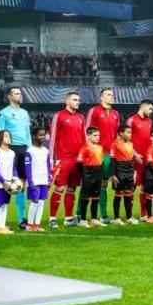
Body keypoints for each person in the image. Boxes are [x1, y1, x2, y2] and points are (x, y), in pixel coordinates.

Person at [0, 87, 31, 230]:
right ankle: (0, 221)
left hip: (23, 149)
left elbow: (27, 133)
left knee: (21, 184)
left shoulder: (24, 113)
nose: (20, 95)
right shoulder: (3, 113)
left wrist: (29, 150)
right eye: (16, 93)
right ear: (9, 97)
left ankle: (21, 219)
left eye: (20, 93)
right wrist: (2, 151)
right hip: (10, 150)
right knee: (5, 183)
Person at [49, 92, 86, 228]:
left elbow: (84, 139)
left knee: (72, 188)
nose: (77, 102)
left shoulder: (81, 117)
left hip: (77, 160)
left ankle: (68, 218)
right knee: (60, 187)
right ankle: (52, 218)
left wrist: (84, 157)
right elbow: (53, 138)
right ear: (67, 101)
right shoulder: (59, 116)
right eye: (75, 99)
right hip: (63, 159)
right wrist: (52, 160)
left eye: (78, 100)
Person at [84, 88, 120, 223]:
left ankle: (103, 215)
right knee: (89, 184)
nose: (111, 97)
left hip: (108, 155)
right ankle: (78, 214)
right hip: (95, 153)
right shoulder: (94, 111)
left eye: (112, 94)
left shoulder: (116, 113)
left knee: (104, 184)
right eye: (108, 95)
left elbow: (116, 135)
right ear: (101, 97)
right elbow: (87, 131)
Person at [126, 99, 153, 220]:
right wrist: (134, 154)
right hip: (134, 159)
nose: (151, 112)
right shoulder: (131, 120)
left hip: (146, 160)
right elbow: (125, 139)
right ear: (143, 107)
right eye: (150, 109)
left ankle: (144, 214)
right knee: (132, 186)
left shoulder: (149, 121)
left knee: (145, 186)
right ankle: (129, 215)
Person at [76, 127, 106, 228]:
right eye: (95, 135)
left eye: (98, 135)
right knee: (85, 198)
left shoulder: (100, 148)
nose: (98, 137)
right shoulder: (85, 148)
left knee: (96, 198)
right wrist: (85, 175)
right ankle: (83, 220)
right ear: (88, 136)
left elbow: (101, 162)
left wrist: (100, 175)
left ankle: (94, 219)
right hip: (88, 175)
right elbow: (79, 163)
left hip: (97, 175)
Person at [0, 130, 17, 235]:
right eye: (6, 136)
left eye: (9, 136)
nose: (9, 138)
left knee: (5, 204)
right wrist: (3, 181)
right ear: (0, 139)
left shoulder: (12, 153)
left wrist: (16, 179)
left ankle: (2, 226)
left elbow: (14, 168)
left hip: (10, 183)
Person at [110, 124, 137, 225]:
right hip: (119, 172)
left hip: (129, 171)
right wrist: (113, 175)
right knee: (118, 195)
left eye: (131, 132)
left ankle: (129, 217)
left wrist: (133, 172)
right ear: (121, 133)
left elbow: (131, 160)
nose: (130, 134)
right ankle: (117, 218)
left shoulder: (130, 144)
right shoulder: (115, 144)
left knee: (128, 195)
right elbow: (112, 161)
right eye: (128, 132)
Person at [25, 127, 50, 232]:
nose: (42, 137)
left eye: (44, 135)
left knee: (41, 202)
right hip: (34, 180)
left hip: (43, 180)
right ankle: (29, 225)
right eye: (40, 135)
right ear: (34, 136)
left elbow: (48, 165)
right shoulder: (30, 151)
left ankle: (37, 224)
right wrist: (30, 182)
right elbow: (27, 167)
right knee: (34, 201)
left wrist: (49, 177)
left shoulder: (46, 150)